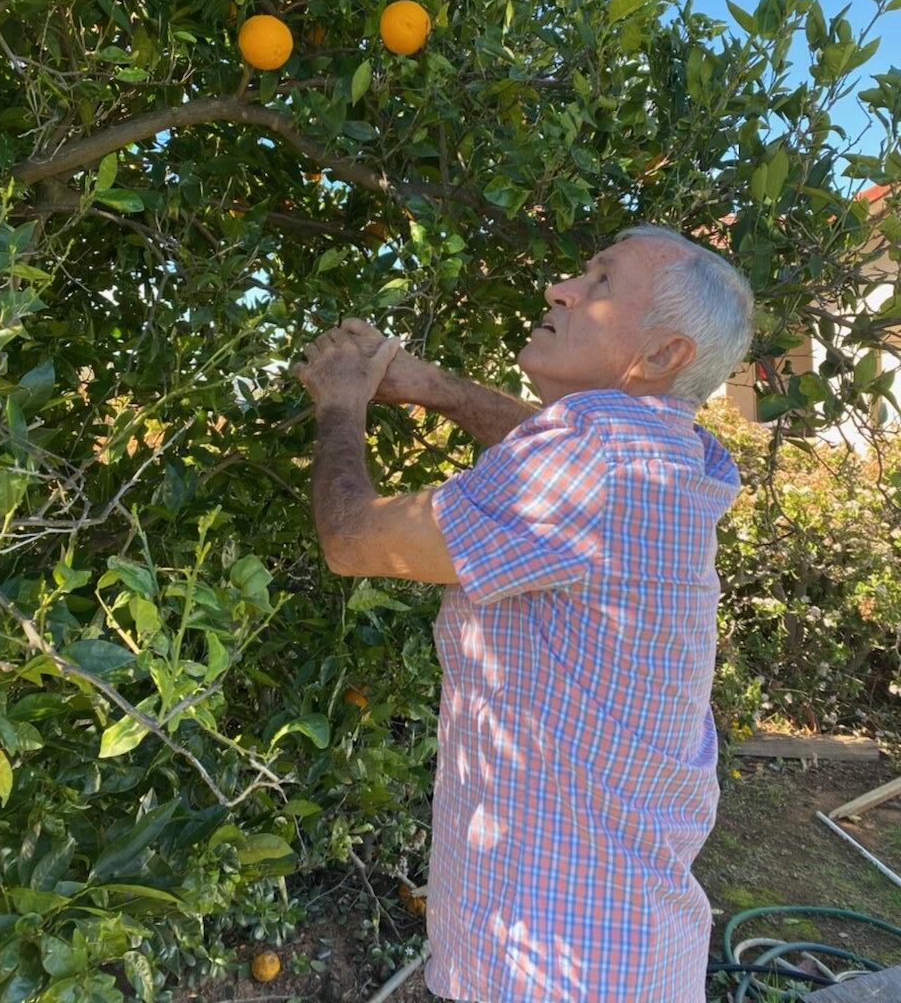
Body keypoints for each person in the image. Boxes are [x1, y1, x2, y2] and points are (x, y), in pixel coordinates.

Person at [293, 225, 754, 1003]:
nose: (560, 288)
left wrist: (342, 403)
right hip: (627, 947)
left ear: (662, 355)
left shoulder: (592, 456)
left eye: (601, 283)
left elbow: (353, 540)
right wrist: (430, 384)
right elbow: (539, 446)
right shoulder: (667, 454)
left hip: (546, 964)